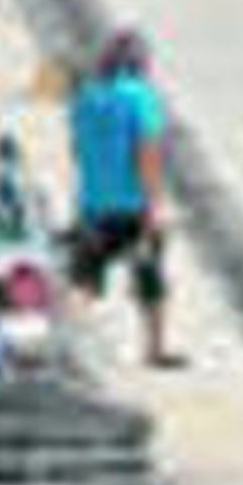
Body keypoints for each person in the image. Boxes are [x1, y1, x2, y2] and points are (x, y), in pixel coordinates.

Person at [68, 28, 175, 367]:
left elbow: (77, 149)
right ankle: (154, 349)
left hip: (93, 203)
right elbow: (148, 150)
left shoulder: (86, 97)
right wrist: (154, 204)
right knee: (150, 279)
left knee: (84, 279)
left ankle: (73, 349)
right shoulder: (140, 97)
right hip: (133, 205)